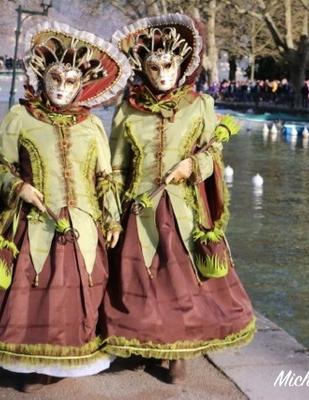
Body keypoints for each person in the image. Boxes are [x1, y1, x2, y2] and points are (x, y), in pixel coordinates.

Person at [101, 13, 255, 384]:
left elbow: (211, 154)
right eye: (153, 67)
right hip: (138, 207)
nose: (161, 73)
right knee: (136, 280)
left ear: (182, 63)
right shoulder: (128, 110)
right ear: (143, 68)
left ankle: (178, 356)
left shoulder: (198, 106)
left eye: (167, 64)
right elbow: (117, 164)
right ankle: (140, 344)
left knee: (180, 283)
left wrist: (192, 165)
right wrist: (112, 212)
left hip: (181, 209)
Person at [0, 21, 130, 391]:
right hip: (36, 222)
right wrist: (18, 185)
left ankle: (65, 361)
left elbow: (105, 176)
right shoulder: (19, 118)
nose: (61, 87)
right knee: (34, 288)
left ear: (81, 85)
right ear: (41, 77)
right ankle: (32, 365)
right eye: (55, 78)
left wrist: (113, 218)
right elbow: (1, 165)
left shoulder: (92, 126)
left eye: (71, 81)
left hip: (84, 224)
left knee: (79, 292)